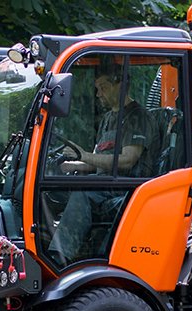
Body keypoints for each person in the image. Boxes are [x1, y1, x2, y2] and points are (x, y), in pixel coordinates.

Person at [47, 66, 152, 266]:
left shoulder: (137, 117)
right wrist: (70, 166)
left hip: (127, 185)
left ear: (120, 86)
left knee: (83, 191)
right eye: (97, 88)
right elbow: (98, 161)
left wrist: (84, 155)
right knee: (57, 188)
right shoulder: (107, 119)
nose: (98, 94)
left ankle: (60, 258)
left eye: (103, 87)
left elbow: (128, 160)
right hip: (105, 182)